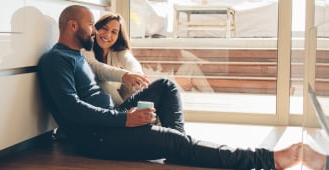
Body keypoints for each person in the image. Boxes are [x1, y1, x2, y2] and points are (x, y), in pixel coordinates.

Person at [38, 5, 302, 169]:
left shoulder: (78, 57)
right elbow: (71, 110)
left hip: (112, 121)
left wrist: (124, 114)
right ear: (72, 26)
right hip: (97, 138)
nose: (95, 33)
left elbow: (104, 73)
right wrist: (125, 121)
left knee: (166, 85)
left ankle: (179, 147)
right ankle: (266, 160)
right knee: (174, 141)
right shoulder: (55, 60)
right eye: (90, 26)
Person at [84, 12, 143, 106]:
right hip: (96, 102)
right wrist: (125, 75)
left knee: (166, 84)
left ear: (118, 37)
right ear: (97, 28)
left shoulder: (119, 51)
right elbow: (96, 68)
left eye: (114, 32)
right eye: (104, 28)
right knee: (102, 81)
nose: (107, 35)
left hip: (118, 101)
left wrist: (137, 76)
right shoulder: (87, 46)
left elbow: (131, 62)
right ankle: (125, 113)